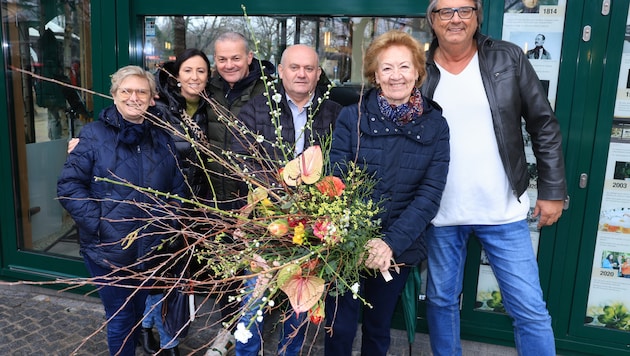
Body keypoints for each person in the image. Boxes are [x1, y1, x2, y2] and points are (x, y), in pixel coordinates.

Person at [422, 1, 567, 355]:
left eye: (464, 10)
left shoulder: (508, 57)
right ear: (432, 19)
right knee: (441, 301)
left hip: (503, 210)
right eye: (445, 11)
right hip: (440, 211)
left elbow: (542, 124)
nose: (455, 18)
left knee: (529, 310)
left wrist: (552, 189)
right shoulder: (418, 66)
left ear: (477, 16)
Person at [323, 30, 449, 356]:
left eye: (404, 67)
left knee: (378, 330)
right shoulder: (352, 117)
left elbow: (430, 194)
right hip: (349, 244)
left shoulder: (436, 125)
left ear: (418, 73)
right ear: (376, 75)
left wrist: (388, 243)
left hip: (398, 249)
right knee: (340, 328)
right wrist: (360, 238)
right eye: (387, 68)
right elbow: (337, 180)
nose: (396, 76)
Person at [57, 65, 186, 356]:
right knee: (121, 321)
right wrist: (102, 225)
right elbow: (69, 186)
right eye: (126, 90)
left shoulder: (162, 139)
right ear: (114, 95)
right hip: (108, 252)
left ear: (152, 98)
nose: (134, 97)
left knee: (138, 313)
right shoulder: (92, 135)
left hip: (152, 249)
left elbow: (178, 190)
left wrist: (170, 224)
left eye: (141, 91)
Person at [234, 44, 342, 356]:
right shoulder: (256, 109)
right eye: (294, 67)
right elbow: (244, 161)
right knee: (252, 305)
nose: (301, 73)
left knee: (299, 304)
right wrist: (285, 195)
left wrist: (314, 205)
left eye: (309, 68)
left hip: (312, 228)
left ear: (318, 74)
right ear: (280, 72)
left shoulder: (333, 112)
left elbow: (341, 165)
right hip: (265, 224)